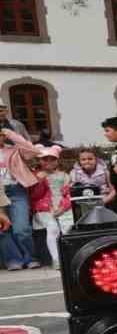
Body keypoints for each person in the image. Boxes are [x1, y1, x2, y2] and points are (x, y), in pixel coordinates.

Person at [1, 105, 41, 268]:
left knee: (21, 229)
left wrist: (10, 133)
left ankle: (30, 257)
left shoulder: (14, 150)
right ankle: (14, 259)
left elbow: (32, 151)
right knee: (2, 229)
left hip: (16, 191)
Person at [29, 146, 71, 265]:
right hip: (44, 208)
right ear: (39, 160)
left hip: (63, 207)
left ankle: (69, 257)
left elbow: (68, 194)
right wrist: (39, 181)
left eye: (52, 159)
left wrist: (63, 208)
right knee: (53, 229)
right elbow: (34, 195)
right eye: (44, 159)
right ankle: (56, 259)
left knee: (68, 229)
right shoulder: (35, 175)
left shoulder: (64, 175)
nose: (48, 162)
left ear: (57, 160)